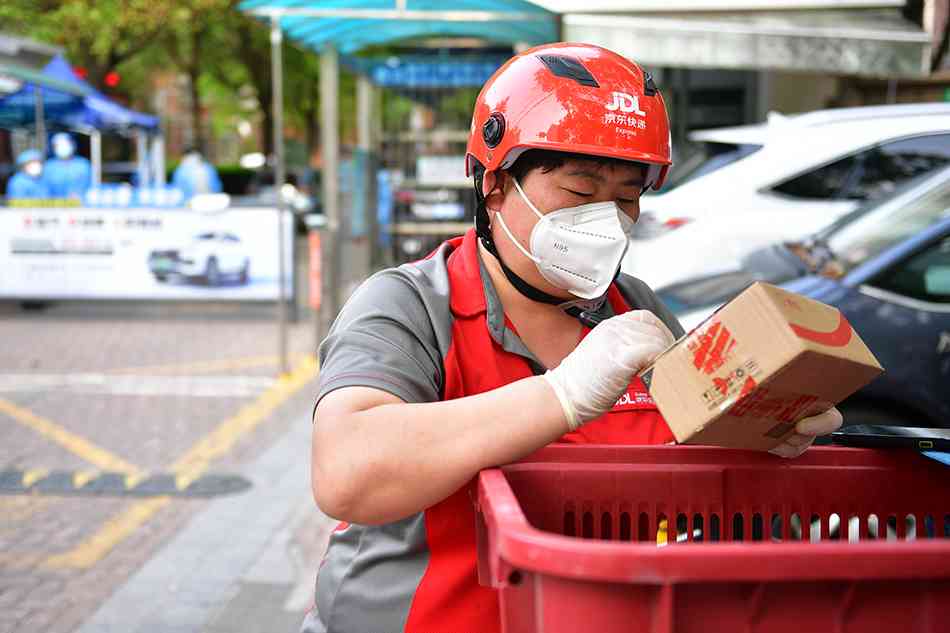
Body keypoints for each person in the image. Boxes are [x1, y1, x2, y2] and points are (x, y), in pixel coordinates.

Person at [302, 43, 843, 633]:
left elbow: (687, 475)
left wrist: (759, 429)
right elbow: (346, 470)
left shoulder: (634, 308)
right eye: (581, 193)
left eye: (627, 198)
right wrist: (565, 394)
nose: (606, 219)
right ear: (495, 185)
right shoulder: (411, 305)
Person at [44, 132, 92, 199]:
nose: (62, 147)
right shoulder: (49, 166)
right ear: (53, 148)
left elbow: (91, 186)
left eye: (65, 144)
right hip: (55, 205)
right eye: (58, 145)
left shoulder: (83, 164)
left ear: (72, 145)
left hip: (82, 205)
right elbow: (44, 189)